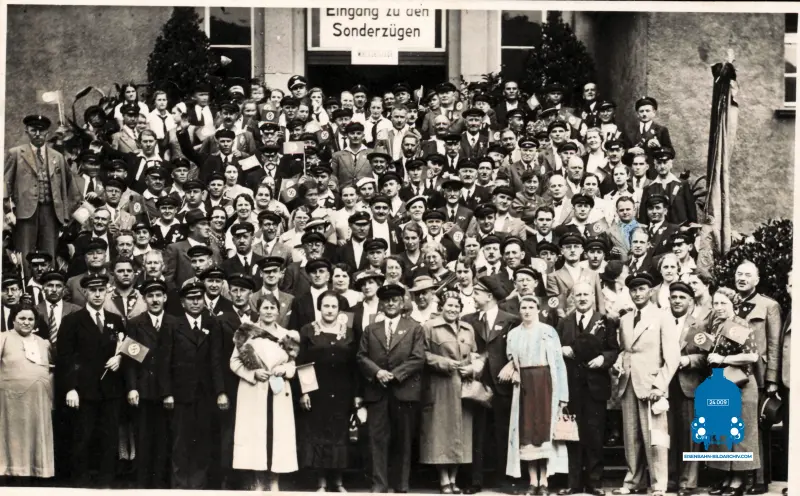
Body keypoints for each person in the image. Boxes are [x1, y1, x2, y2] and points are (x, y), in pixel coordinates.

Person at [611, 272, 679, 496]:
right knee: (631, 437)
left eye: (641, 289)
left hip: (652, 385)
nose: (637, 293)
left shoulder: (663, 316)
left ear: (650, 292)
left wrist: (660, 386)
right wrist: (619, 362)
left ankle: (658, 484)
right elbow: (626, 350)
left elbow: (672, 357)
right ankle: (633, 482)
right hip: (628, 383)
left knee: (656, 437)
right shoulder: (625, 319)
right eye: (633, 290)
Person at [158, 281, 228, 489]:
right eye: (191, 298)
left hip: (205, 394)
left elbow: (216, 360)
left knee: (202, 441)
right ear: (182, 302)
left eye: (199, 298)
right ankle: (180, 486)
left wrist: (220, 391)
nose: (196, 302)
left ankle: (198, 487)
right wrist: (167, 393)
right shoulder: (172, 325)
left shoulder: (212, 323)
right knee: (180, 442)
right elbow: (164, 362)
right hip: (180, 395)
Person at [59, 274, 128, 488]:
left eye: (101, 290)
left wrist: (120, 358)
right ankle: (81, 482)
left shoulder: (115, 320)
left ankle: (106, 482)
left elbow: (127, 348)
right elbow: (65, 357)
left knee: (109, 437)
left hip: (111, 389)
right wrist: (70, 388)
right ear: (85, 293)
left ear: (106, 292)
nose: (97, 294)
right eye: (93, 290)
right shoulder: (72, 321)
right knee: (83, 437)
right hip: (84, 390)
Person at [356, 283, 425, 494]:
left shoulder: (414, 328)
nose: (391, 304)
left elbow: (418, 358)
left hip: (404, 391)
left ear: (402, 303)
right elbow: (361, 356)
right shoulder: (371, 329)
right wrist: (377, 372)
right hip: (377, 392)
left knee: (403, 440)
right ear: (381, 304)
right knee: (377, 439)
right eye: (386, 300)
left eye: (395, 300)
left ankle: (401, 484)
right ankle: (379, 483)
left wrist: (394, 375)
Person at [230, 294, 299, 491]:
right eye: (265, 308)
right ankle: (258, 482)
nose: (269, 311)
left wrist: (283, 370)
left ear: (278, 311)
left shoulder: (287, 335)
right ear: (258, 310)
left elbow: (293, 364)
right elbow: (234, 362)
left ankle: (274, 481)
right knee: (256, 437)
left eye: (272, 308)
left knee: (277, 437)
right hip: (254, 391)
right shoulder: (246, 332)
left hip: (278, 392)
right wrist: (253, 373)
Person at [557, 282, 619, 496]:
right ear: (573, 298)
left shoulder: (605, 321)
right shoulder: (564, 323)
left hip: (595, 387)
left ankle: (594, 482)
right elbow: (554, 347)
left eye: (586, 294)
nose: (582, 298)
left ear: (593, 297)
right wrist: (561, 349)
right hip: (571, 387)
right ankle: (573, 483)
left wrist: (603, 359)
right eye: (578, 295)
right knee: (572, 435)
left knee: (594, 435)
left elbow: (614, 350)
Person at [296, 291, 362, 492]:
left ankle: (339, 482)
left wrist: (357, 394)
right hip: (317, 392)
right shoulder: (308, 330)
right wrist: (305, 392)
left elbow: (355, 364)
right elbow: (302, 362)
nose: (330, 310)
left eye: (334, 306)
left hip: (342, 391)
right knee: (318, 435)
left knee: (339, 436)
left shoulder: (349, 332)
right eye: (326, 306)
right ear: (319, 307)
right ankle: (321, 483)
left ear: (339, 309)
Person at [505, 295, 570, 496]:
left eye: (531, 307)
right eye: (523, 307)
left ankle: (544, 480)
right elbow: (511, 360)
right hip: (525, 386)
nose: (527, 311)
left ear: (537, 310)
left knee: (545, 430)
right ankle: (533, 480)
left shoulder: (548, 332)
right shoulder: (514, 334)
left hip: (545, 384)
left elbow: (558, 363)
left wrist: (563, 395)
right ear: (519, 310)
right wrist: (514, 371)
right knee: (527, 431)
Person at [463, 276, 520, 494]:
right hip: (477, 385)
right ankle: (475, 481)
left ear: (489, 296)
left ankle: (504, 480)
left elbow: (517, 348)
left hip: (502, 384)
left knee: (503, 433)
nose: (474, 296)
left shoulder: (511, 320)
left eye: (477, 293)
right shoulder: (468, 320)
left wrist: (512, 365)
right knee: (476, 434)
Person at [705, 287, 762, 496]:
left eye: (723, 303)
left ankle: (737, 481)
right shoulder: (718, 325)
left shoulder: (737, 325)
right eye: (716, 303)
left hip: (741, 384)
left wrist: (723, 358)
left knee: (740, 435)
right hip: (724, 384)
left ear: (734, 305)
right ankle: (728, 478)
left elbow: (752, 356)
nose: (719, 307)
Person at [4, 115, 80, 266]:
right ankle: (28, 281)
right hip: (25, 212)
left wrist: (65, 215)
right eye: (33, 130)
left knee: (49, 252)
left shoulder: (57, 157)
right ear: (27, 131)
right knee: (25, 252)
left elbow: (70, 186)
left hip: (51, 212)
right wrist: (8, 211)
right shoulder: (16, 153)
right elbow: (5, 184)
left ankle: (49, 280)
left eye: (41, 130)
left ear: (47, 132)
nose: (38, 134)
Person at [124, 279, 175, 489]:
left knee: (164, 439)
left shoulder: (175, 323)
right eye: (150, 296)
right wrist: (132, 388)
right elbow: (130, 360)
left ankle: (161, 486)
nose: (155, 300)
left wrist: (170, 391)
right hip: (144, 390)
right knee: (144, 439)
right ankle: (143, 486)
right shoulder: (135, 323)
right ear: (144, 299)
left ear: (165, 297)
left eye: (158, 295)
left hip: (168, 392)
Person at [0, 302, 54, 482]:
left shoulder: (42, 342)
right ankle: (11, 472)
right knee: (13, 436)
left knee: (36, 435)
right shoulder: (3, 338)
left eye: (30, 319)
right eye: (22, 318)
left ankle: (36, 472)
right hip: (11, 400)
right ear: (13, 320)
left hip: (38, 400)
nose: (26, 322)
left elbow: (50, 368)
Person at [665, 281, 708, 496]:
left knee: (690, 436)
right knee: (667, 434)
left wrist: (688, 360)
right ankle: (670, 478)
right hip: (665, 385)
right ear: (669, 299)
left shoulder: (698, 325)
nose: (677, 301)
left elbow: (706, 357)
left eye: (682, 297)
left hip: (687, 385)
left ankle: (687, 482)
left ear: (690, 301)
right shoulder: (662, 321)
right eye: (674, 297)